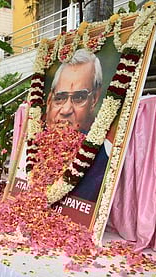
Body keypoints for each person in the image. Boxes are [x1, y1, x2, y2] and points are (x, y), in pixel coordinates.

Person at [45, 48, 109, 202]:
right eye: (60, 98)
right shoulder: (32, 146)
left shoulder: (101, 160)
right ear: (49, 101)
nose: (66, 110)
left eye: (79, 97)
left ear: (94, 100)